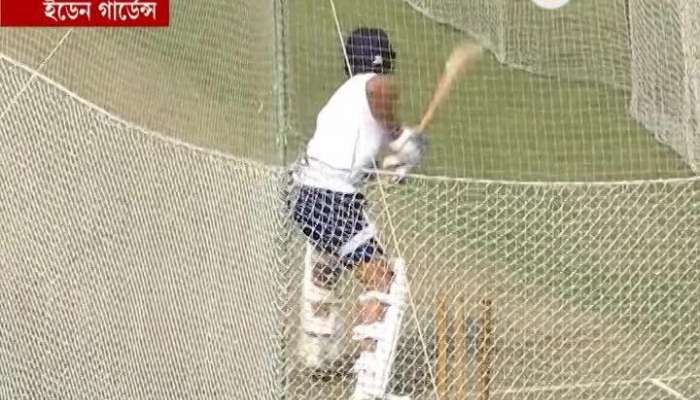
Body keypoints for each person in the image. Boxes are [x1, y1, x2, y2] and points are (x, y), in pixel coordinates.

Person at [288, 27, 424, 400]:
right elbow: (380, 94)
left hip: (307, 192)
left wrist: (399, 159)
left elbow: (369, 154)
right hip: (331, 196)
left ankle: (316, 347)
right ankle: (368, 386)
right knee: (381, 277)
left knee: (329, 256)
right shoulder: (372, 85)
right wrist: (400, 138)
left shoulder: (345, 100)